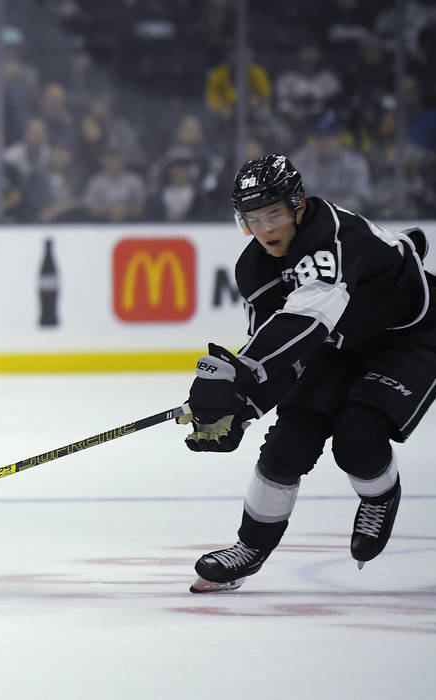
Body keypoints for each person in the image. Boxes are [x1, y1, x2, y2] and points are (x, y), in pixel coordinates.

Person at [180, 153, 435, 593]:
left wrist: (236, 374)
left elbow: (308, 320)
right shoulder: (255, 270)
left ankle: (379, 496)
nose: (265, 231)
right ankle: (250, 548)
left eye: (274, 215)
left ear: (298, 205)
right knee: (285, 447)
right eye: (252, 220)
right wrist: (240, 408)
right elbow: (280, 353)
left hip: (409, 337)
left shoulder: (329, 235)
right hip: (339, 346)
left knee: (358, 439)